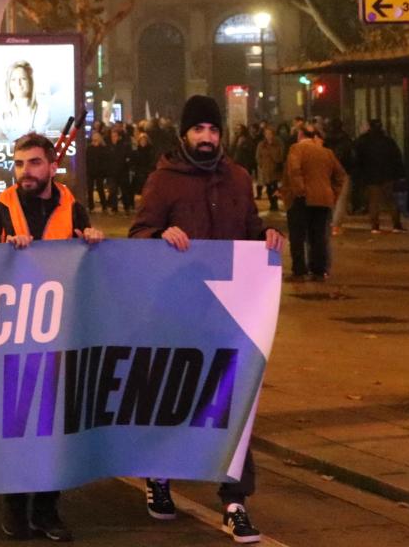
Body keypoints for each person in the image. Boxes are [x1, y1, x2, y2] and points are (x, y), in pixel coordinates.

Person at [129, 95, 283, 543]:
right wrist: (159, 235)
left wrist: (266, 233)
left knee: (235, 405)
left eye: (213, 131)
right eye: (198, 130)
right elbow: (139, 233)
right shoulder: (163, 181)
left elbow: (251, 225)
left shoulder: (237, 178)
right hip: (178, 311)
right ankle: (159, 474)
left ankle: (235, 501)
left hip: (231, 314)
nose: (206, 138)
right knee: (173, 397)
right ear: (184, 135)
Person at [0, 131, 105, 541]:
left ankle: (47, 510)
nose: (24, 172)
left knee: (54, 428)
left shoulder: (73, 209)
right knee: (17, 427)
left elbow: (91, 264)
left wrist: (92, 241)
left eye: (33, 163)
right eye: (18, 164)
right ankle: (15, 508)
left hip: (60, 336)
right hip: (12, 337)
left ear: (52, 166)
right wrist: (3, 253)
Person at [283, 126, 348, 282]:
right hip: (324, 199)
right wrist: (333, 193)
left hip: (302, 199)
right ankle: (319, 269)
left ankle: (299, 270)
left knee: (298, 236)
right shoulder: (327, 152)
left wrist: (300, 190)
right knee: (318, 235)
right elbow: (340, 175)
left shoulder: (296, 149)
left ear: (300, 135)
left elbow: (294, 170)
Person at [352, 119, 406, 233]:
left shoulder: (364, 141)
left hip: (371, 175)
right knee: (391, 200)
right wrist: (399, 173)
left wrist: (360, 175)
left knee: (373, 201)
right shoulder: (388, 141)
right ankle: (396, 225)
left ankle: (375, 226)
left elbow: (357, 158)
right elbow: (397, 157)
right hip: (388, 174)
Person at [0, 60, 54, 144]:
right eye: (13, 80)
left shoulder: (43, 110)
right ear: (8, 84)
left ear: (30, 82)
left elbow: (40, 143)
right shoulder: (1, 111)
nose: (18, 83)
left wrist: (8, 138)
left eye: (23, 79)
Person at [254, 125, 286, 213]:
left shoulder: (278, 144)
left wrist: (274, 155)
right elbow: (258, 156)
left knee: (275, 187)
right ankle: (272, 203)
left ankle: (274, 204)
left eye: (270, 133)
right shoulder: (261, 144)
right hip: (265, 169)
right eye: (266, 133)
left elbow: (280, 156)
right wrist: (261, 164)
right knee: (268, 187)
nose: (268, 135)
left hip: (275, 169)